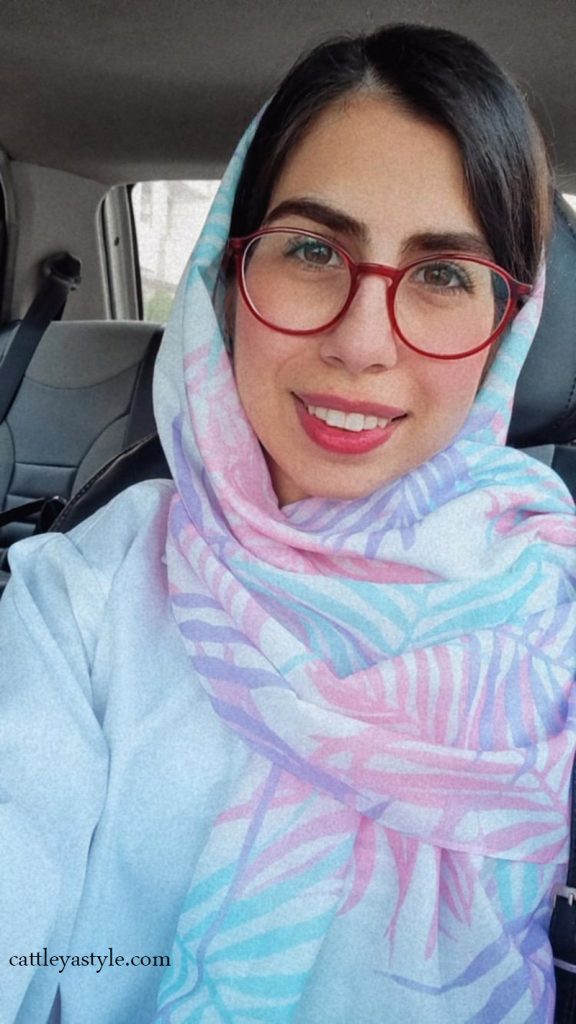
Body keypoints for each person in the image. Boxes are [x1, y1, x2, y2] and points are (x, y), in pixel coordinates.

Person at [1, 21, 575, 1024]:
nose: (361, 342)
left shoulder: (552, 601)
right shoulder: (82, 596)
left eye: (444, 273)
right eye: (311, 249)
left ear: (508, 327)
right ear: (229, 275)